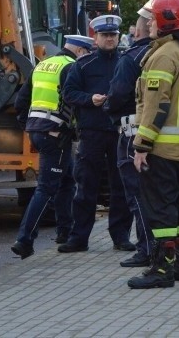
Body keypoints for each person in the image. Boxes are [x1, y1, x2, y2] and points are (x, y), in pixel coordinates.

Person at [128, 0, 179, 289]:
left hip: (161, 147)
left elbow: (156, 103)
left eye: (152, 19)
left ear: (166, 20)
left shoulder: (163, 54)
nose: (147, 25)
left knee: (160, 210)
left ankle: (162, 271)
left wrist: (142, 145)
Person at [10, 35, 94, 259]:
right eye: (87, 54)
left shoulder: (42, 65)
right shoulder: (71, 67)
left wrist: (29, 127)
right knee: (46, 188)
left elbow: (20, 102)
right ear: (80, 51)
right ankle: (25, 240)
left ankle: (64, 231)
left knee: (66, 181)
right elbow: (74, 100)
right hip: (56, 134)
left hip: (39, 131)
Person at [59, 14, 134, 253]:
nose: (110, 39)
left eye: (113, 35)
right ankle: (79, 237)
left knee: (120, 186)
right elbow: (68, 93)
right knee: (86, 186)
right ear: (95, 37)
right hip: (92, 132)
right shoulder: (83, 64)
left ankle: (121, 237)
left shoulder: (127, 62)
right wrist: (90, 99)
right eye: (105, 35)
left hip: (119, 131)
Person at [104, 1, 155, 268]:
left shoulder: (133, 57)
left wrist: (108, 105)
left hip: (132, 133)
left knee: (136, 195)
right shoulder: (175, 52)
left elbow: (118, 95)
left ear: (139, 30)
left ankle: (146, 248)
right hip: (164, 136)